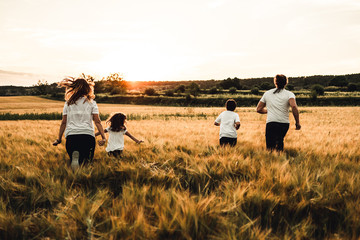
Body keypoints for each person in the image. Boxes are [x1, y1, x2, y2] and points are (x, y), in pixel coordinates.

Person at [53, 77, 106, 170]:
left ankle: (75, 167)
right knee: (87, 162)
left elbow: (64, 122)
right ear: (87, 88)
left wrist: (59, 139)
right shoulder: (91, 103)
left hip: (72, 136)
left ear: (73, 88)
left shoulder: (68, 103)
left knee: (75, 161)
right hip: (87, 136)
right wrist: (103, 137)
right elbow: (97, 121)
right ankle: (83, 181)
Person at [256, 74, 301, 151]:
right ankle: (280, 158)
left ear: (275, 82)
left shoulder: (267, 93)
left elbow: (259, 109)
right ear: (286, 83)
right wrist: (297, 122)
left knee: (270, 146)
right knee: (279, 141)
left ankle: (272, 159)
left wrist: (269, 111)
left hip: (271, 123)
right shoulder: (289, 94)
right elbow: (294, 107)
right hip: (284, 123)